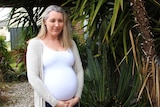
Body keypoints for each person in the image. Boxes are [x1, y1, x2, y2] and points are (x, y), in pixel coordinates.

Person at [26, 5, 84, 107]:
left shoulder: (71, 43)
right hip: (49, 103)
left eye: (60, 21)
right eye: (52, 20)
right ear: (44, 21)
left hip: (72, 103)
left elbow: (79, 70)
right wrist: (55, 103)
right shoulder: (35, 44)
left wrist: (77, 97)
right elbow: (33, 77)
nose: (57, 25)